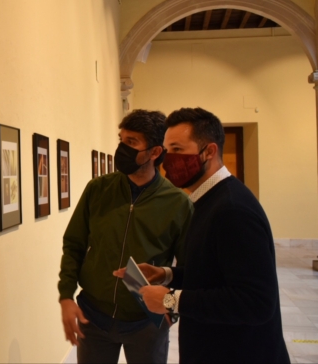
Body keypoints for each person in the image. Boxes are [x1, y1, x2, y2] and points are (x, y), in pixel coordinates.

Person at [115, 107, 290, 363]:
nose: (168, 159)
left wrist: (170, 299)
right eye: (167, 150)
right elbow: (216, 273)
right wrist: (169, 274)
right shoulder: (208, 200)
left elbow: (255, 302)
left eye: (177, 149)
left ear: (209, 151)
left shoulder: (232, 209)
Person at [58, 109, 193, 363]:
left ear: (155, 152)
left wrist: (170, 308)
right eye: (121, 140)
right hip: (93, 316)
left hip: (146, 322)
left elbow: (187, 266)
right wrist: (66, 295)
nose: (122, 148)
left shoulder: (178, 203)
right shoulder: (98, 189)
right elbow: (74, 244)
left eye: (132, 142)